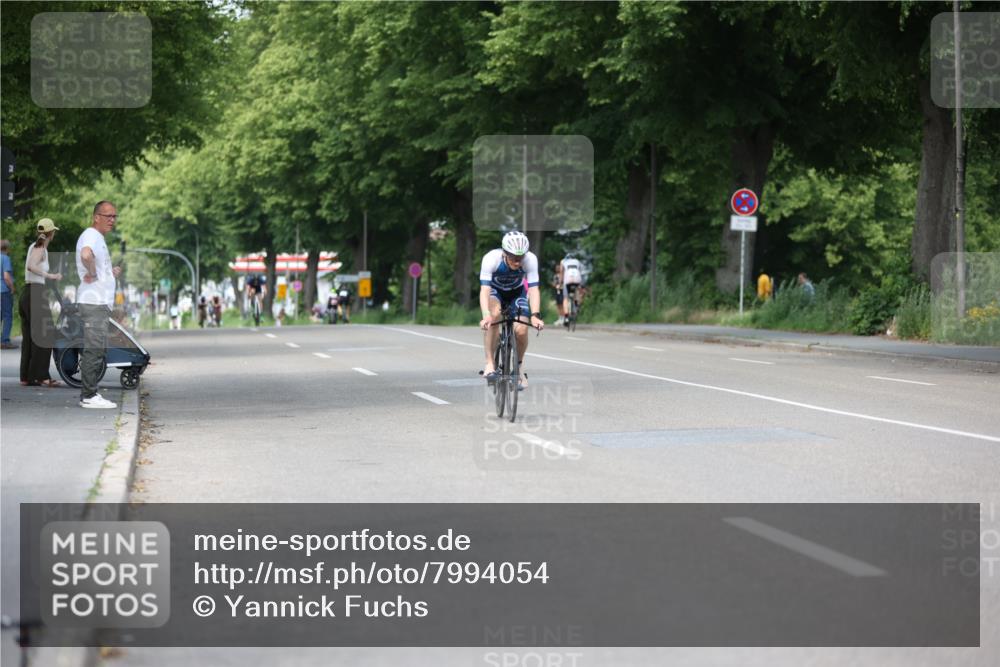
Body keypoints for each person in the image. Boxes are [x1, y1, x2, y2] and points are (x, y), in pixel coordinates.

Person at [478, 231, 544, 388]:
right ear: (505, 253)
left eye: (521, 257)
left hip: (517, 292)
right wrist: (486, 315)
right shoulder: (490, 259)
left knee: (521, 329)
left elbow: (534, 289)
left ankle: (519, 367)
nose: (518, 261)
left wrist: (535, 315)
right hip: (495, 291)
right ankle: (490, 364)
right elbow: (484, 290)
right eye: (514, 257)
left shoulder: (530, 260)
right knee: (494, 316)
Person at [76, 201, 121, 409]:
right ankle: (89, 395)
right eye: (108, 216)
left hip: (98, 302)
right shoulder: (91, 235)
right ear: (96, 217)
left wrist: (108, 274)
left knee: (98, 348)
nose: (112, 220)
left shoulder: (97, 238)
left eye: (114, 216)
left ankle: (91, 393)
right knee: (94, 349)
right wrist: (92, 272)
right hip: (93, 302)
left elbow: (92, 260)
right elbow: (86, 255)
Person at [19, 219, 63, 386]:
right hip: (36, 294)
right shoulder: (40, 247)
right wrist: (50, 276)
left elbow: (32, 268)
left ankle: (26, 376)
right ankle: (41, 376)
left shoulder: (33, 246)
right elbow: (31, 266)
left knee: (30, 337)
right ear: (51, 233)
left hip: (27, 293)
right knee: (46, 334)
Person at [559, 254, 584, 327]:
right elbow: (580, 272)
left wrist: (560, 283)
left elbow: (561, 273)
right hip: (577, 279)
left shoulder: (563, 261)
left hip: (567, 280)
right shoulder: (577, 261)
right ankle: (577, 304)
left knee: (565, 298)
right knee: (577, 292)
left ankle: (566, 317)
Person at [1, 239, 15, 349]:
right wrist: (12, 287)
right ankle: (5, 341)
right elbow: (6, 276)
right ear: (7, 248)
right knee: (7, 316)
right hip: (4, 291)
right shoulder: (5, 258)